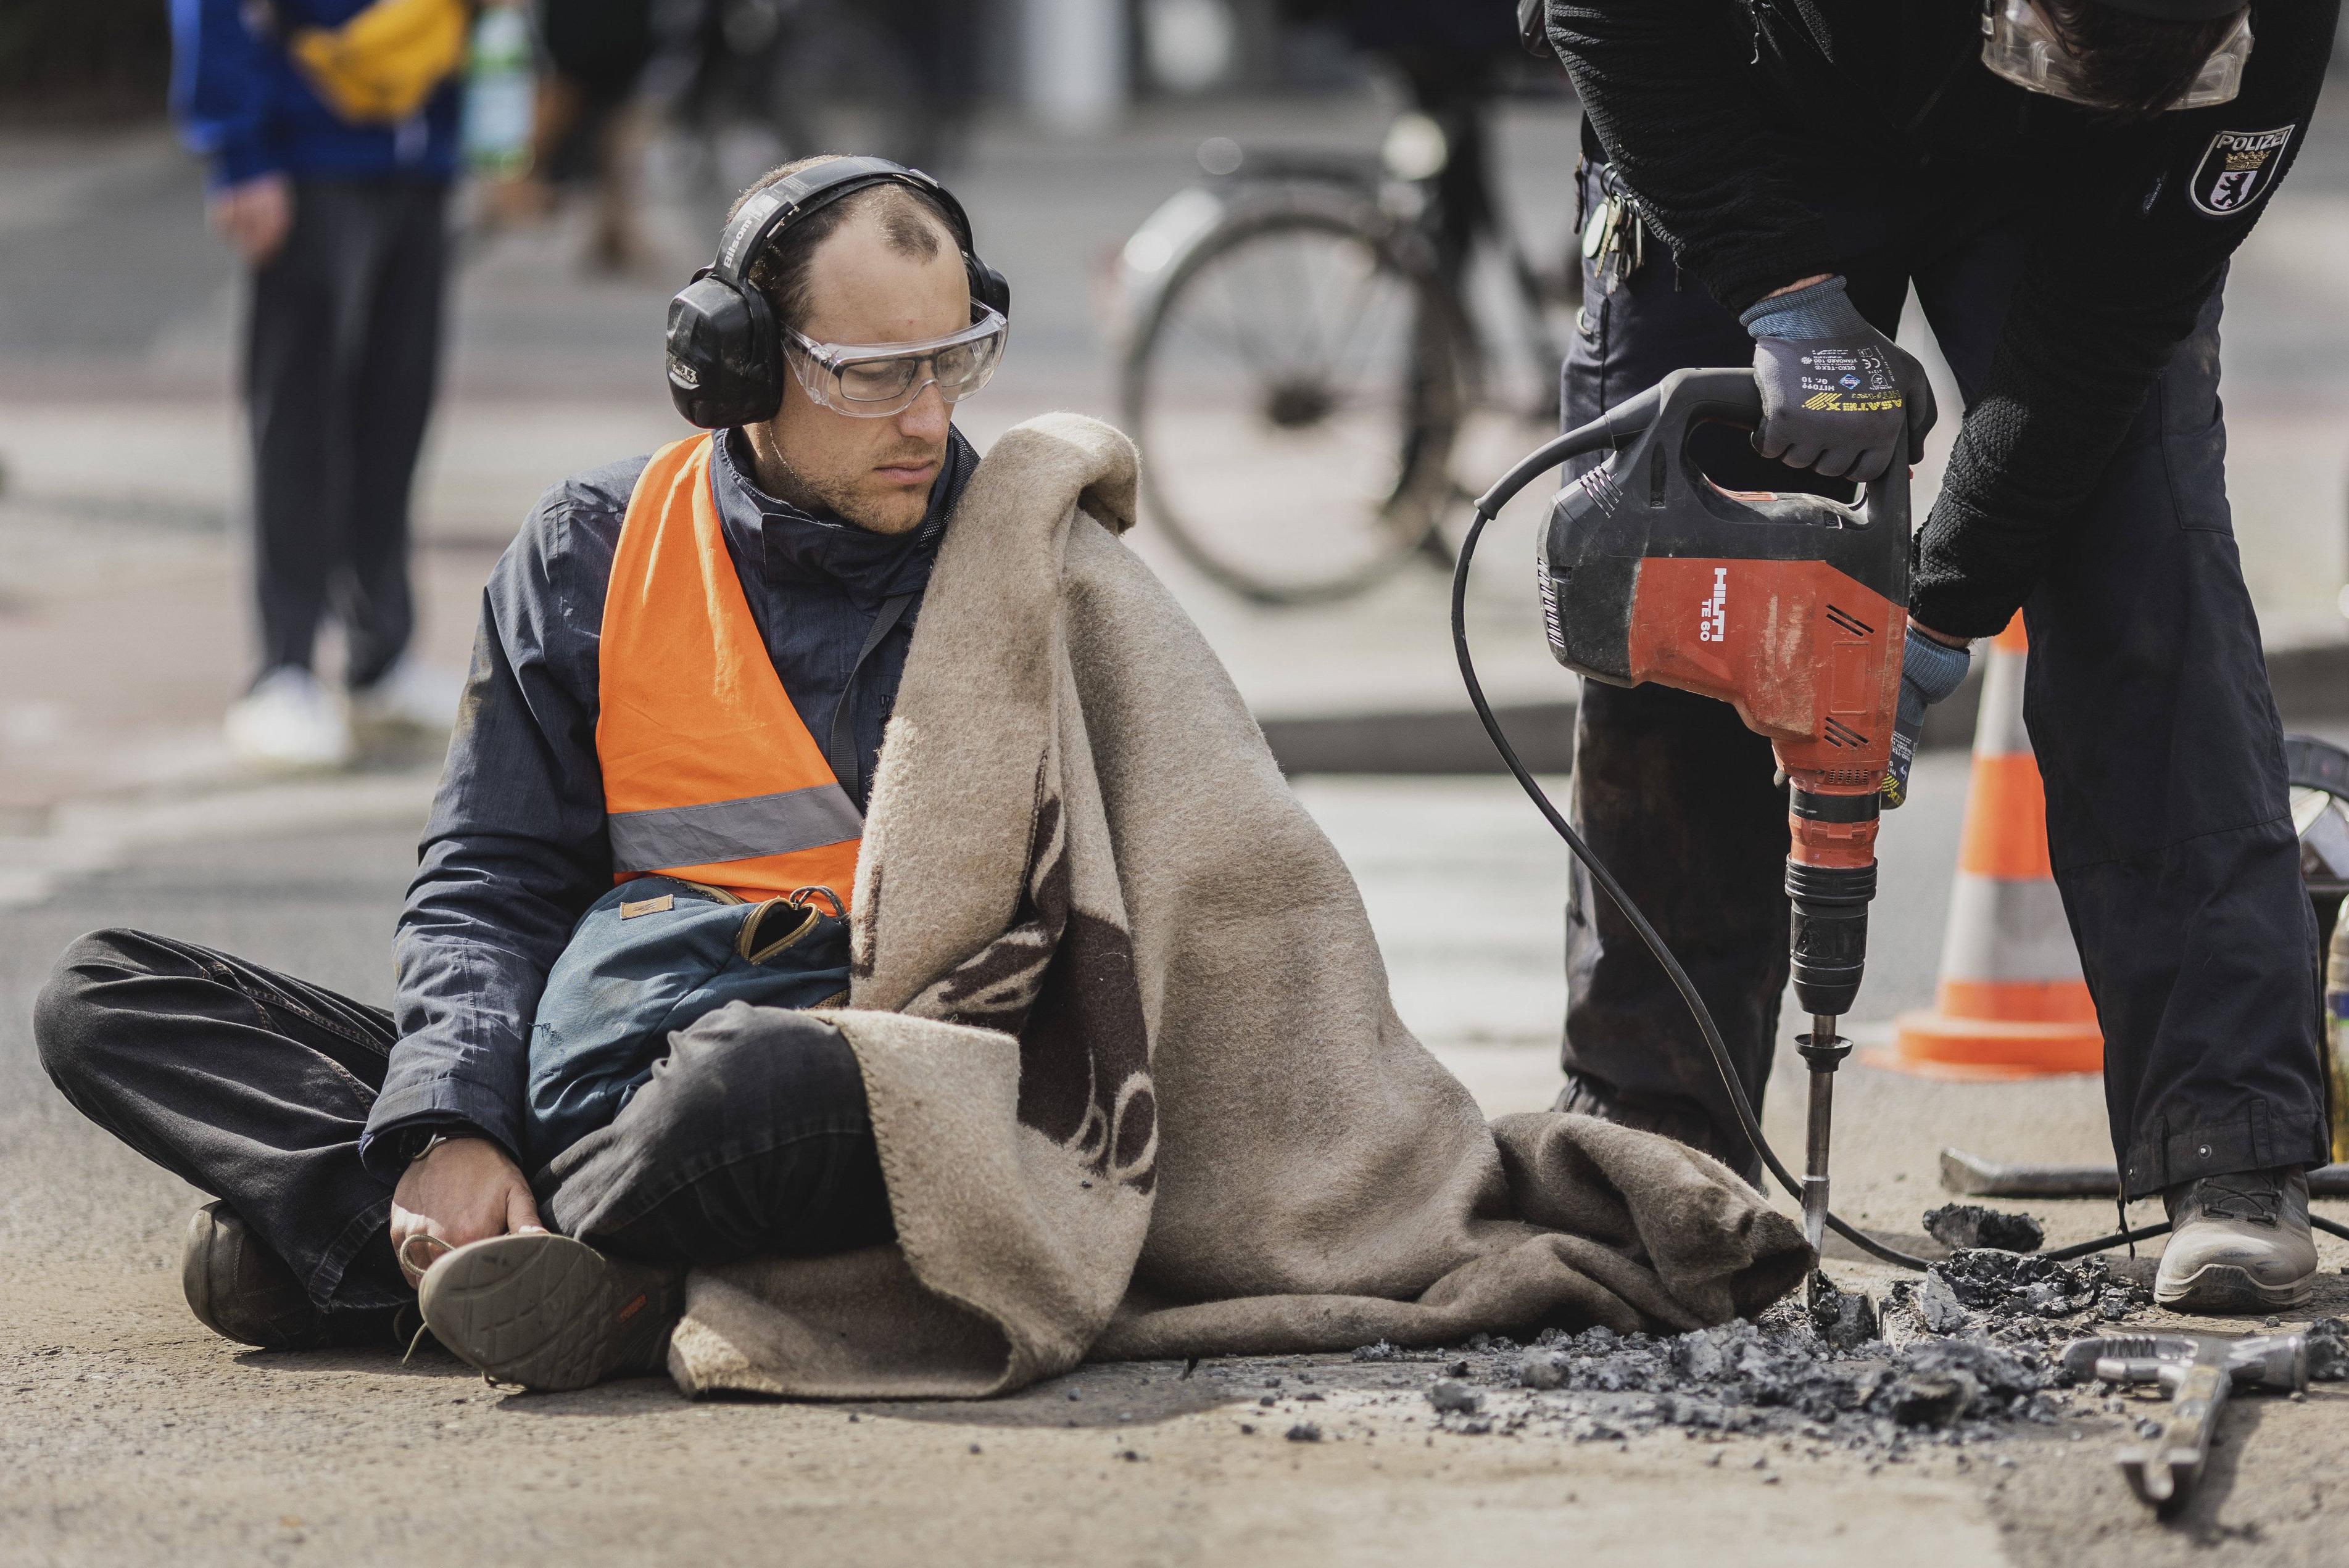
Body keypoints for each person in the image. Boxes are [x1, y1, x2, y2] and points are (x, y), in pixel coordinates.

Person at [41, 157, 1813, 1394]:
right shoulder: (591, 547)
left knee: (733, 1092)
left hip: (883, 1075)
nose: (924, 415)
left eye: (954, 358)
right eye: (871, 371)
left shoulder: (1029, 557)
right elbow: (488, 881)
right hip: (592, 1065)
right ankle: (522, 1244)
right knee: (104, 997)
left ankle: (403, 1254)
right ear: (734, 370)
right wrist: (448, 1115)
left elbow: (1217, 885)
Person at [1543, 0, 2337, 1313]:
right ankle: (1658, 1137)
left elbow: (2106, 327)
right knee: (1690, 584)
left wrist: (1947, 601)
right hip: (1743, 95)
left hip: (2065, 191)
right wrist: (1779, 288)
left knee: (2145, 560)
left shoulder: (2266, 34)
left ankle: (2231, 1142)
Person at [170, 0, 469, 769]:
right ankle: (284, 668)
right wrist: (239, 153)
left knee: (398, 411)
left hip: (421, 148)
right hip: (306, 152)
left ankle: (380, 658)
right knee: (300, 419)